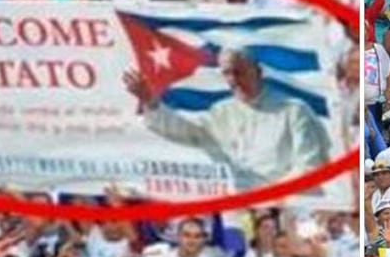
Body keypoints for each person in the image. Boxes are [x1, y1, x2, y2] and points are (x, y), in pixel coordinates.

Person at [124, 48, 332, 188]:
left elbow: (309, 165)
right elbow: (185, 131)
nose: (233, 80)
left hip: (287, 204)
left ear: (257, 72)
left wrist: (270, 196)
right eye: (227, 74)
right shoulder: (221, 112)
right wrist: (149, 100)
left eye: (239, 72)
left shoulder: (293, 111)